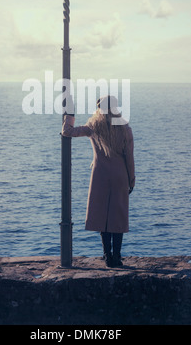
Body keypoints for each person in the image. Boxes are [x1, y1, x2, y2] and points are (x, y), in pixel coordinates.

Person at [61, 95, 135, 268]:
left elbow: (68, 132)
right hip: (120, 176)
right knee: (118, 217)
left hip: (100, 175)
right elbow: (129, 158)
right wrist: (131, 180)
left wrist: (70, 115)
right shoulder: (125, 128)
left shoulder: (93, 126)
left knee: (103, 216)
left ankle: (107, 256)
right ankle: (117, 257)